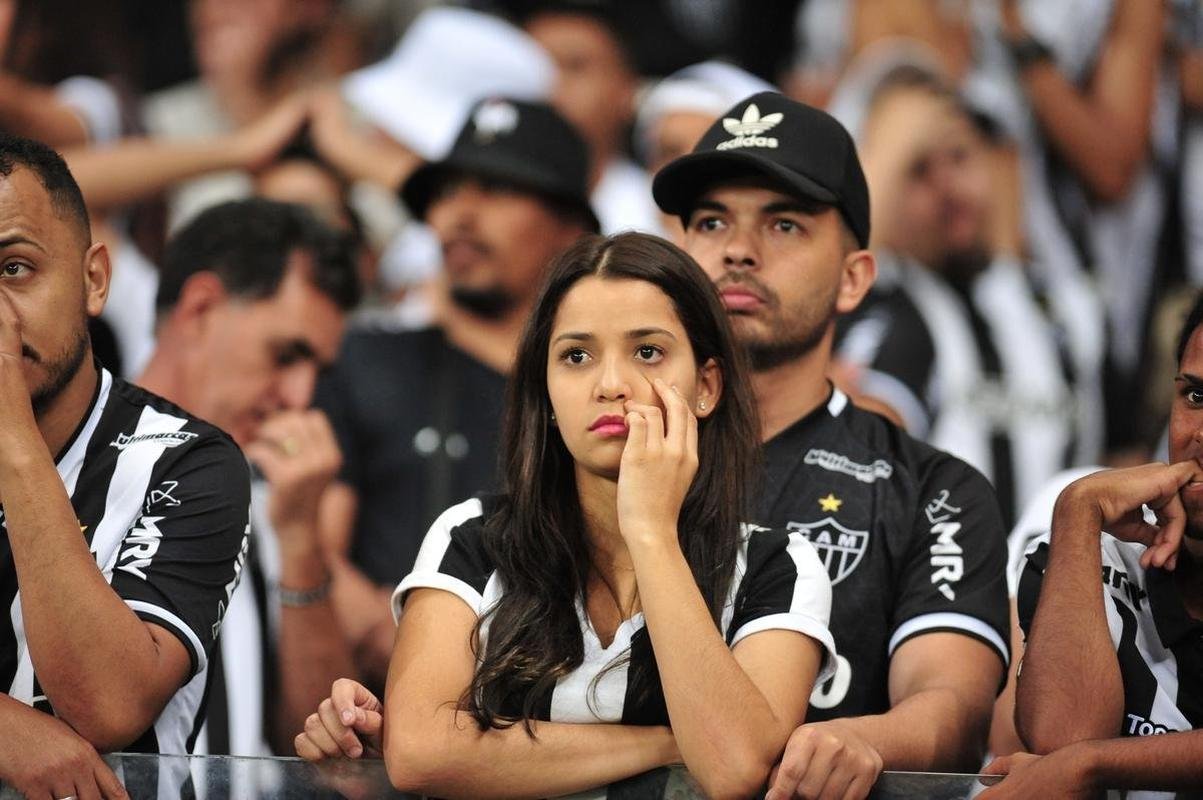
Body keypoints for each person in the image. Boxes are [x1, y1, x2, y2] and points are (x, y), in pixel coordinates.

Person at [297, 231, 837, 799]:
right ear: (547, 393)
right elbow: (421, 752)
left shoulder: (779, 567)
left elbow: (733, 765)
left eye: (647, 352)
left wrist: (651, 533)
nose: (610, 386)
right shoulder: (473, 539)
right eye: (576, 356)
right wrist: (669, 743)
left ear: (706, 387)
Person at [652, 91, 1010, 798]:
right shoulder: (597, 453)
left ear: (853, 279)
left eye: (782, 224)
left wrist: (860, 739)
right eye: (710, 221)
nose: (737, 250)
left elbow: (953, 709)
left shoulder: (937, 490)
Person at [315, 97, 596, 685]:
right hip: (369, 717)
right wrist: (404, 636)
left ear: (573, 231)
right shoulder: (365, 358)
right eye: (444, 195)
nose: (459, 216)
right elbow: (314, 549)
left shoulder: (603, 393)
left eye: (496, 191)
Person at [0, 134, 249, 795]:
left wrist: (11, 434)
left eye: (13, 269)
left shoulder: (188, 460)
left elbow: (108, 704)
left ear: (94, 279)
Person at [138, 198, 360, 757]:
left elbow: (323, 753)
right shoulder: (56, 456)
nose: (300, 396)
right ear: (200, 308)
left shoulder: (271, 500)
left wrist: (302, 540)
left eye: (316, 370)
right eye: (285, 354)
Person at [838, 64, 1095, 526]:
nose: (947, 187)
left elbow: (1122, 451)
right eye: (917, 169)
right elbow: (854, 455)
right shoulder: (884, 303)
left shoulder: (1065, 307)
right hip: (942, 586)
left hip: (1065, 584)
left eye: (959, 157)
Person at [983, 294, 1203, 797]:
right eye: (1196, 397)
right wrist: (1077, 510)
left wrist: (1095, 765)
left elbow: (1076, 763)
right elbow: (1063, 743)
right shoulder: (1094, 550)